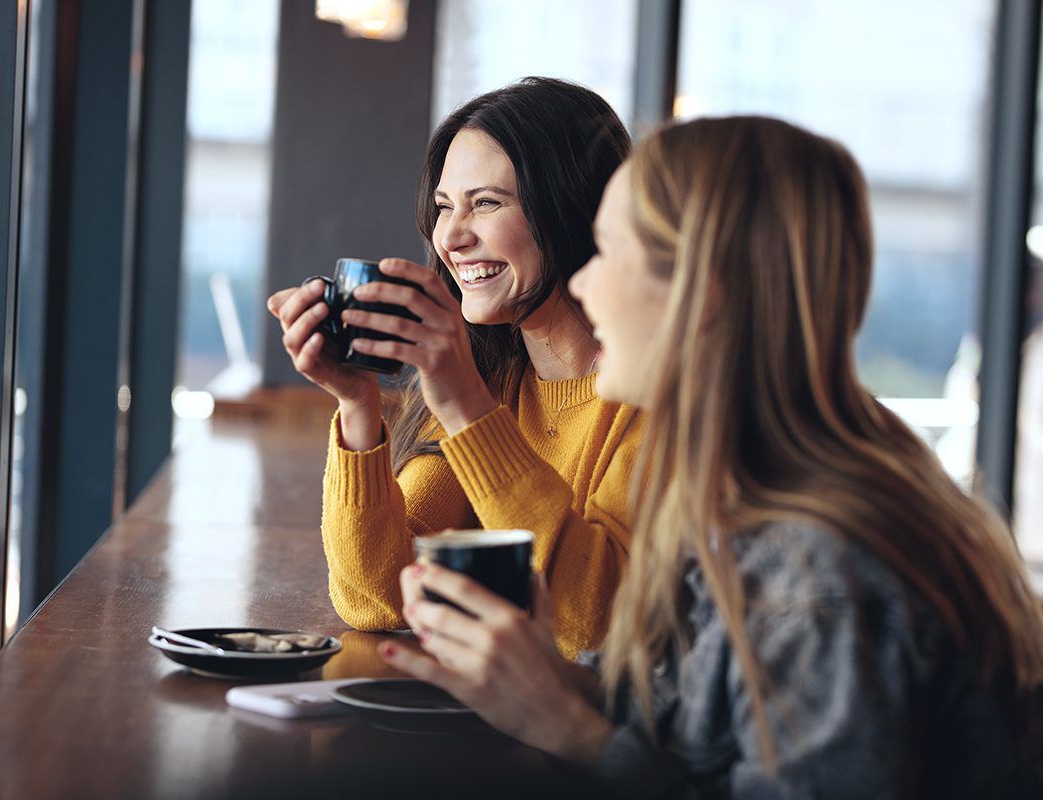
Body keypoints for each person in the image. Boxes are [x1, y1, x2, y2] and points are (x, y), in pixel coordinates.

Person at [381, 115, 1043, 796]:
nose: (581, 286)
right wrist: (552, 680)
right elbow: (689, 729)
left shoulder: (817, 572)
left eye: (606, 253)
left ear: (701, 291)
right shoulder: (749, 498)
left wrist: (568, 726)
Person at [267, 77, 643, 658]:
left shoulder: (651, 396)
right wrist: (357, 404)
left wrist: (466, 404)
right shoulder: (495, 381)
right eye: (445, 207)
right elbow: (380, 598)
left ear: (574, 210)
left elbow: (590, 628)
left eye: (486, 203)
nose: (452, 237)